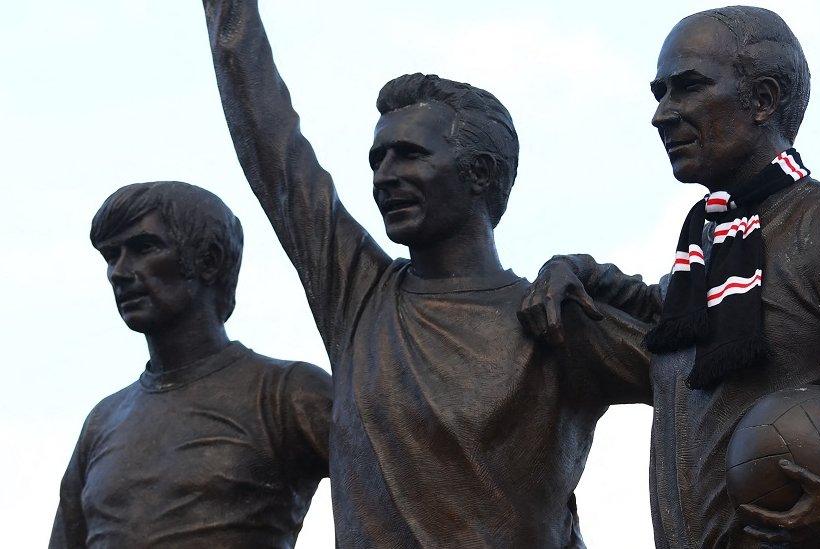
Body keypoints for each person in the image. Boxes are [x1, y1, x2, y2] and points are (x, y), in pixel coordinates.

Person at [519, 6, 820, 548]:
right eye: (659, 93)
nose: (662, 114)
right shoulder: (705, 257)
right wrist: (574, 268)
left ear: (763, 100)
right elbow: (654, 307)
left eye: (687, 88)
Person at [202, 1, 652, 547]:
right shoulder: (359, 295)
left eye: (408, 155)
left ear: (480, 172)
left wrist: (592, 273)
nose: (384, 176)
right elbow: (270, 139)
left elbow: (707, 371)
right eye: (377, 160)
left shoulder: (554, 317)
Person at [49, 181, 333, 548]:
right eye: (110, 255)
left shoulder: (287, 394)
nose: (118, 272)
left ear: (209, 259)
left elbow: (398, 502)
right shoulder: (103, 421)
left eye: (143, 248)